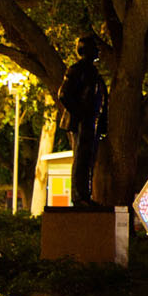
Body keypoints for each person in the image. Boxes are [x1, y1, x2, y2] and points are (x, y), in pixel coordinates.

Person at [58, 36, 108, 208]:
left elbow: (100, 100)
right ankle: (79, 197)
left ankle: (85, 195)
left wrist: (100, 123)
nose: (98, 51)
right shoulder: (76, 70)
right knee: (81, 159)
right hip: (82, 121)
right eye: (95, 48)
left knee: (89, 159)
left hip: (92, 122)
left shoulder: (94, 73)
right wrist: (80, 114)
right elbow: (64, 95)